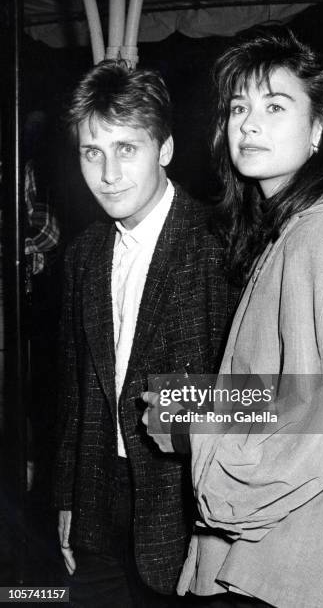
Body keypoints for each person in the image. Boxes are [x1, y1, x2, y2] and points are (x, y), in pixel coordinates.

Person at [144, 30, 323, 607]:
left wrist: (215, 460)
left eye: (274, 107)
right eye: (239, 108)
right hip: (285, 556)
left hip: (308, 563)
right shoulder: (297, 229)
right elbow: (293, 393)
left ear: (317, 133)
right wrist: (183, 405)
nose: (249, 124)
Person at [53, 61, 238, 608]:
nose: (108, 173)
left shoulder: (220, 246)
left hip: (188, 512)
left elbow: (265, 398)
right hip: (96, 509)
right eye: (93, 152)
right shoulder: (83, 254)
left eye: (126, 148)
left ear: (165, 149)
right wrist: (66, 494)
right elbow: (74, 390)